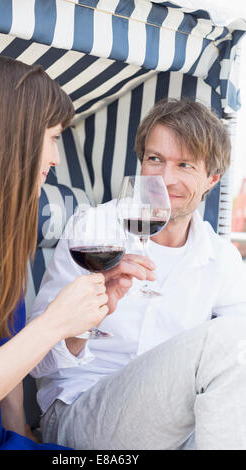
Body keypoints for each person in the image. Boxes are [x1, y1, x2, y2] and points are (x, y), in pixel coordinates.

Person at [0, 56, 143, 450]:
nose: (55, 158)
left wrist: (25, 438)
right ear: (10, 137)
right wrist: (54, 323)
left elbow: (7, 383)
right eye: (52, 138)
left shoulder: (0, 234)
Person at [29, 98, 246, 450]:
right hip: (79, 411)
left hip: (173, 424)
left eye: (185, 165)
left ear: (212, 180)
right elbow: (37, 362)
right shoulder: (95, 229)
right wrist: (89, 313)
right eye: (155, 159)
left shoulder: (221, 259)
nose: (165, 178)